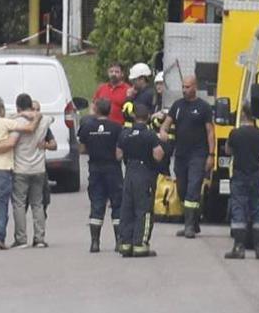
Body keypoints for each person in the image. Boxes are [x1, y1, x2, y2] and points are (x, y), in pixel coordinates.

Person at [0, 97, 42, 250]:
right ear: (1, 110)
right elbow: (29, 129)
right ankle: (0, 237)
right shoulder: (6, 123)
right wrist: (35, 116)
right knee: (2, 205)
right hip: (3, 168)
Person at [160, 75, 215, 239]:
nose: (184, 90)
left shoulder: (203, 107)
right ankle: (193, 221)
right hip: (181, 155)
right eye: (183, 87)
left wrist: (211, 155)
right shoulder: (177, 106)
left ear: (195, 87)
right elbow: (166, 124)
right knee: (182, 190)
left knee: (193, 188)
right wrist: (163, 132)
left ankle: (189, 225)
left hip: (198, 155)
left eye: (188, 87)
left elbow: (210, 132)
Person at [117, 103, 164, 257]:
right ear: (148, 116)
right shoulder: (149, 135)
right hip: (144, 173)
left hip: (129, 172)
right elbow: (158, 155)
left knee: (127, 209)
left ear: (134, 116)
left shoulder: (125, 134)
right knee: (143, 209)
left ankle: (125, 243)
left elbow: (118, 154)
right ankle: (140, 245)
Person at [224, 103, 259, 259]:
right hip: (257, 175)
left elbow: (228, 151)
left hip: (240, 175)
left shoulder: (235, 134)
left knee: (239, 210)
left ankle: (239, 247)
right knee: (258, 209)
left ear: (243, 114)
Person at [77, 98, 123, 253]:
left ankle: (95, 243)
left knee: (97, 204)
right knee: (117, 204)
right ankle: (119, 241)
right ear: (110, 110)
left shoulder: (86, 127)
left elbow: (82, 149)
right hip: (113, 170)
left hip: (95, 169)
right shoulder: (117, 128)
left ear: (96, 110)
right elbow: (119, 154)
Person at [10, 94, 52, 248]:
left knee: (19, 204)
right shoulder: (44, 120)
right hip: (39, 168)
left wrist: (20, 115)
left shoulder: (16, 122)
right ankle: (39, 238)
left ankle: (21, 238)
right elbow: (48, 118)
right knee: (38, 204)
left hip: (21, 168)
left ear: (18, 107)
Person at [32, 100, 56, 218]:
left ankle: (42, 215)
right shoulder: (22, 124)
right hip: (24, 168)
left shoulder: (43, 126)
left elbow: (53, 145)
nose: (36, 112)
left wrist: (45, 145)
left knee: (44, 197)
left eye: (38, 110)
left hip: (40, 166)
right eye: (33, 109)